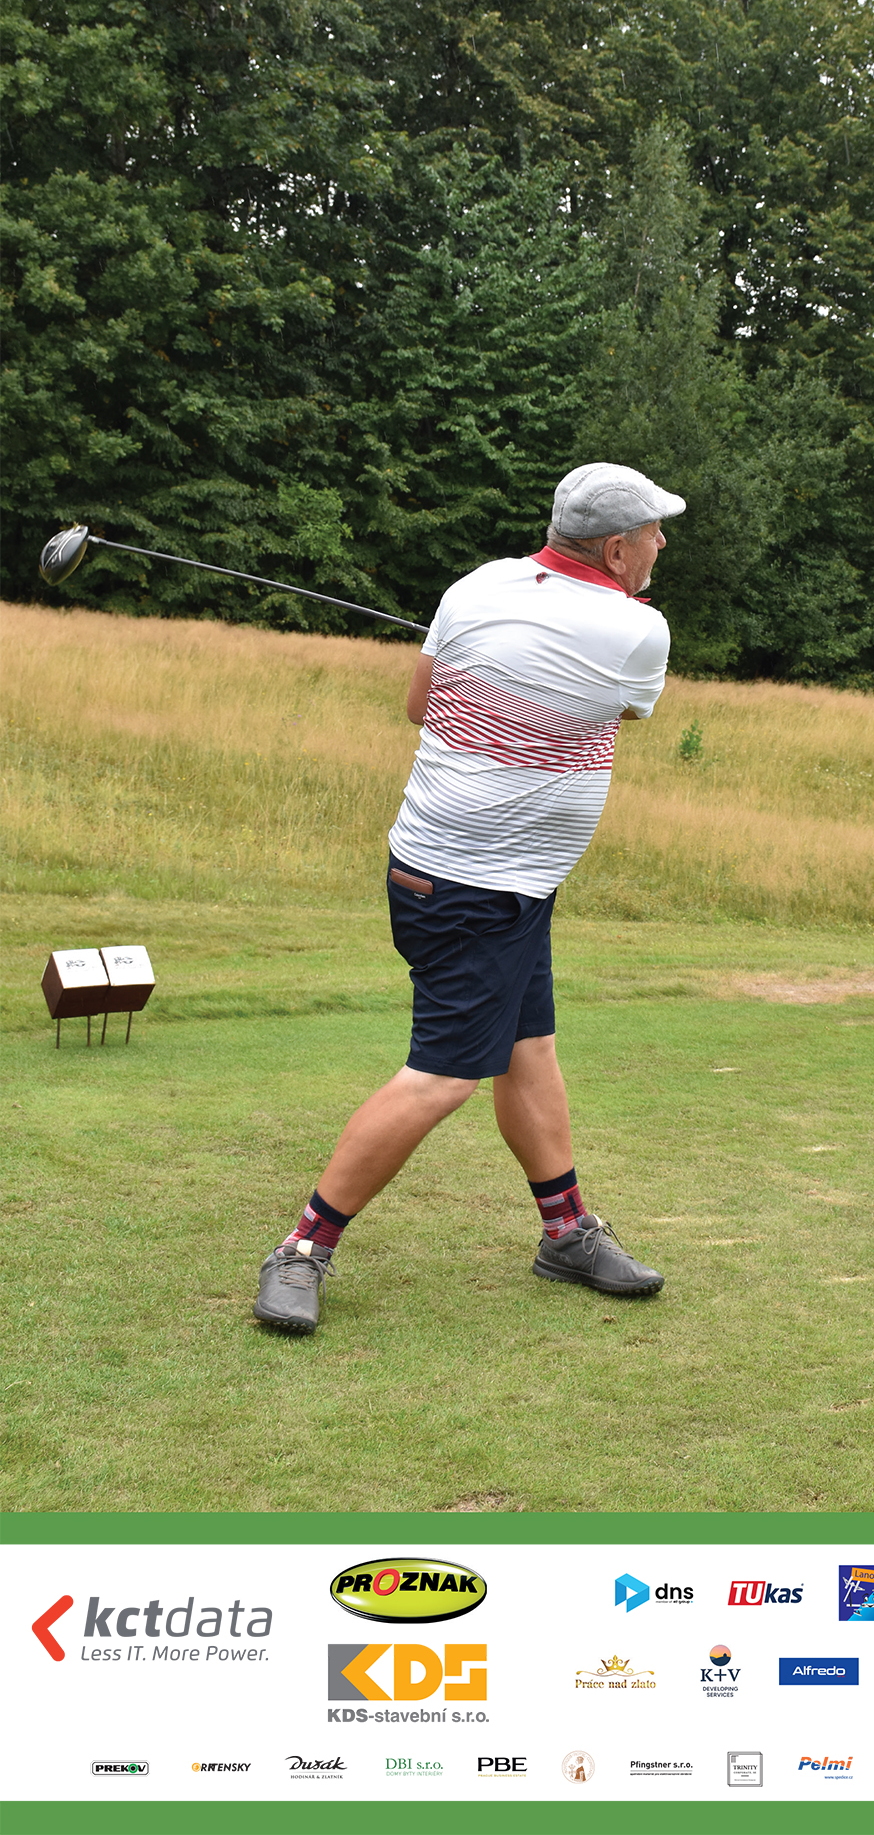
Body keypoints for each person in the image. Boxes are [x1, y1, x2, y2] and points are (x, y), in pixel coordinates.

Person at [254, 461, 685, 1333]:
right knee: (442, 1077)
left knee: (530, 1050)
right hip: (469, 886)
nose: (662, 543)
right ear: (615, 549)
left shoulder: (477, 586)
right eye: (652, 531)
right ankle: (301, 1249)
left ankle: (566, 1233)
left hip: (508, 881)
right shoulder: (639, 632)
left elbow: (422, 704)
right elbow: (622, 715)